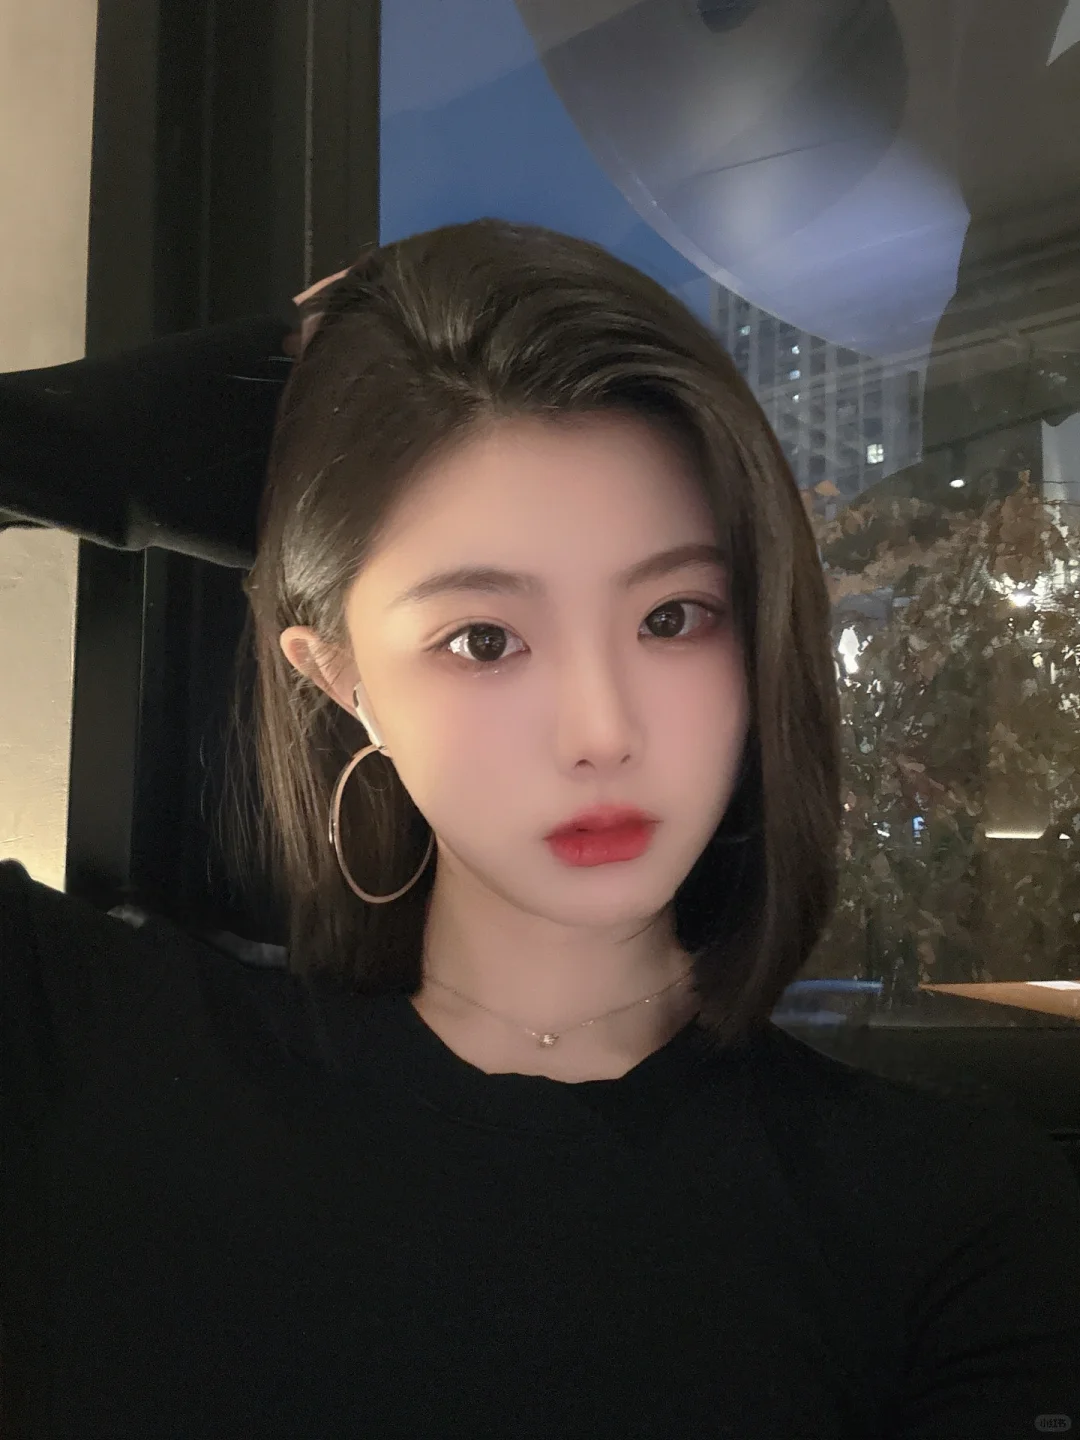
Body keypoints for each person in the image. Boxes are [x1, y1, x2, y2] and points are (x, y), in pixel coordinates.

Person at [1, 218, 1078, 1438]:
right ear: (340, 678)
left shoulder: (947, 1222)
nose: (600, 731)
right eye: (484, 640)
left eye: (673, 618)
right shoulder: (87, 1062)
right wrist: (169, 420)